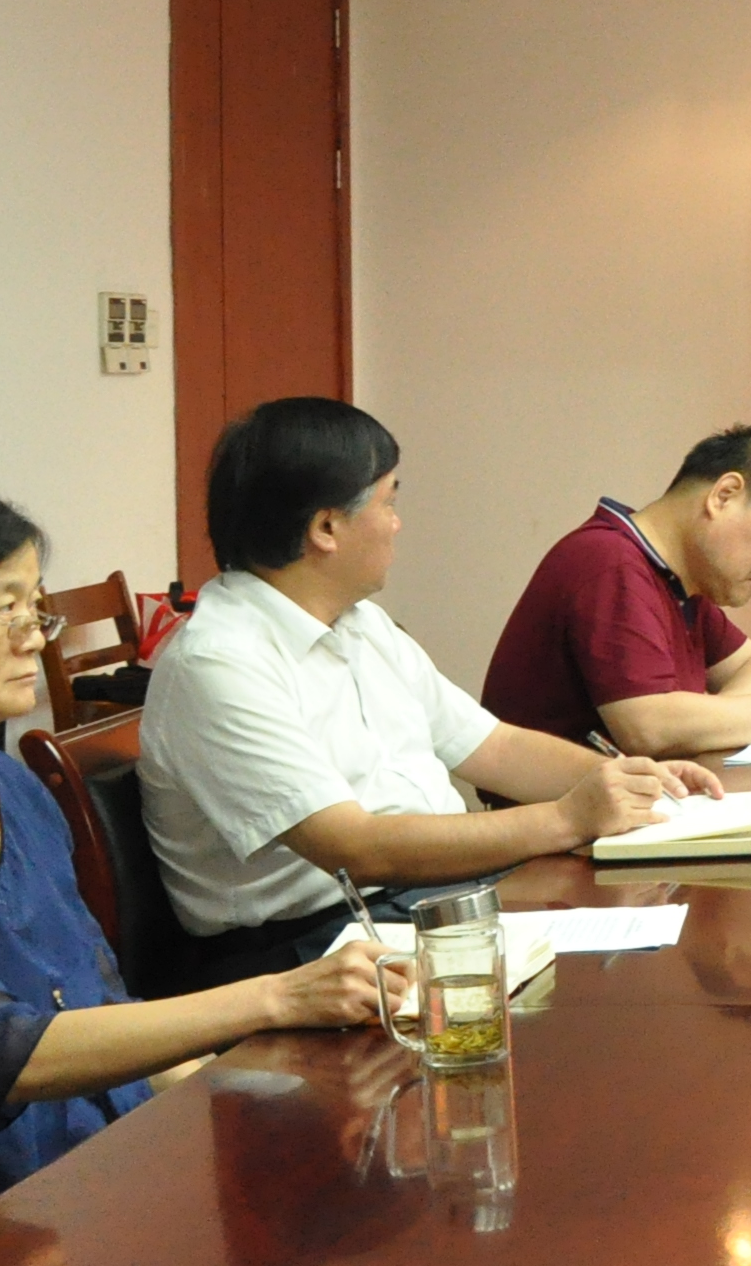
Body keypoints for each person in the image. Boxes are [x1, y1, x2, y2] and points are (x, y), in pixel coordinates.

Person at [0, 480, 387, 1258]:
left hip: (95, 1179)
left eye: (37, 610)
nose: (35, 639)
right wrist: (277, 997)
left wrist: (258, 1102)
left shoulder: (10, 786)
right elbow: (0, 1052)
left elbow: (100, 1004)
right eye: (5, 609)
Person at [144, 398, 720, 985]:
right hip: (312, 947)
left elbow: (495, 748)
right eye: (388, 502)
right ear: (325, 528)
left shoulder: (362, 624)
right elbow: (355, 847)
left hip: (427, 897)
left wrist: (634, 780)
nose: (397, 523)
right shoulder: (219, 663)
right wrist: (567, 818)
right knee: (603, 990)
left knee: (643, 944)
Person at [480, 426, 751, 756]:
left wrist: (699, 725)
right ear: (724, 495)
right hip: (559, 828)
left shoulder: (677, 580)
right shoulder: (610, 561)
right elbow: (648, 727)